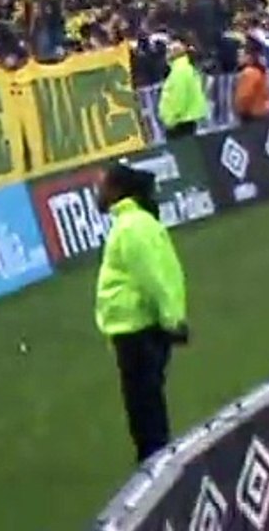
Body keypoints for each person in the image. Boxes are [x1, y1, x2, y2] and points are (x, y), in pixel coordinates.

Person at [95, 163, 190, 463]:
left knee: (144, 409)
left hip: (136, 328)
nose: (98, 192)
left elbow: (152, 276)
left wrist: (170, 320)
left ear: (116, 190)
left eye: (103, 186)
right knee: (148, 404)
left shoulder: (131, 228)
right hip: (141, 327)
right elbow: (166, 273)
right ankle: (156, 465)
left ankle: (154, 470)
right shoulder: (140, 223)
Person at [157, 43, 208, 140]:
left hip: (180, 122)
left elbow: (178, 96)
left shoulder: (178, 71)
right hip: (187, 118)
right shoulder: (186, 68)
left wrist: (171, 120)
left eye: (168, 52)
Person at [234, 49, 269, 124]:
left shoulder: (248, 73)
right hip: (263, 112)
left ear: (249, 57)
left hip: (252, 114)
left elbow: (244, 96)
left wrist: (241, 111)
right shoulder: (261, 71)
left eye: (240, 56)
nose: (238, 59)